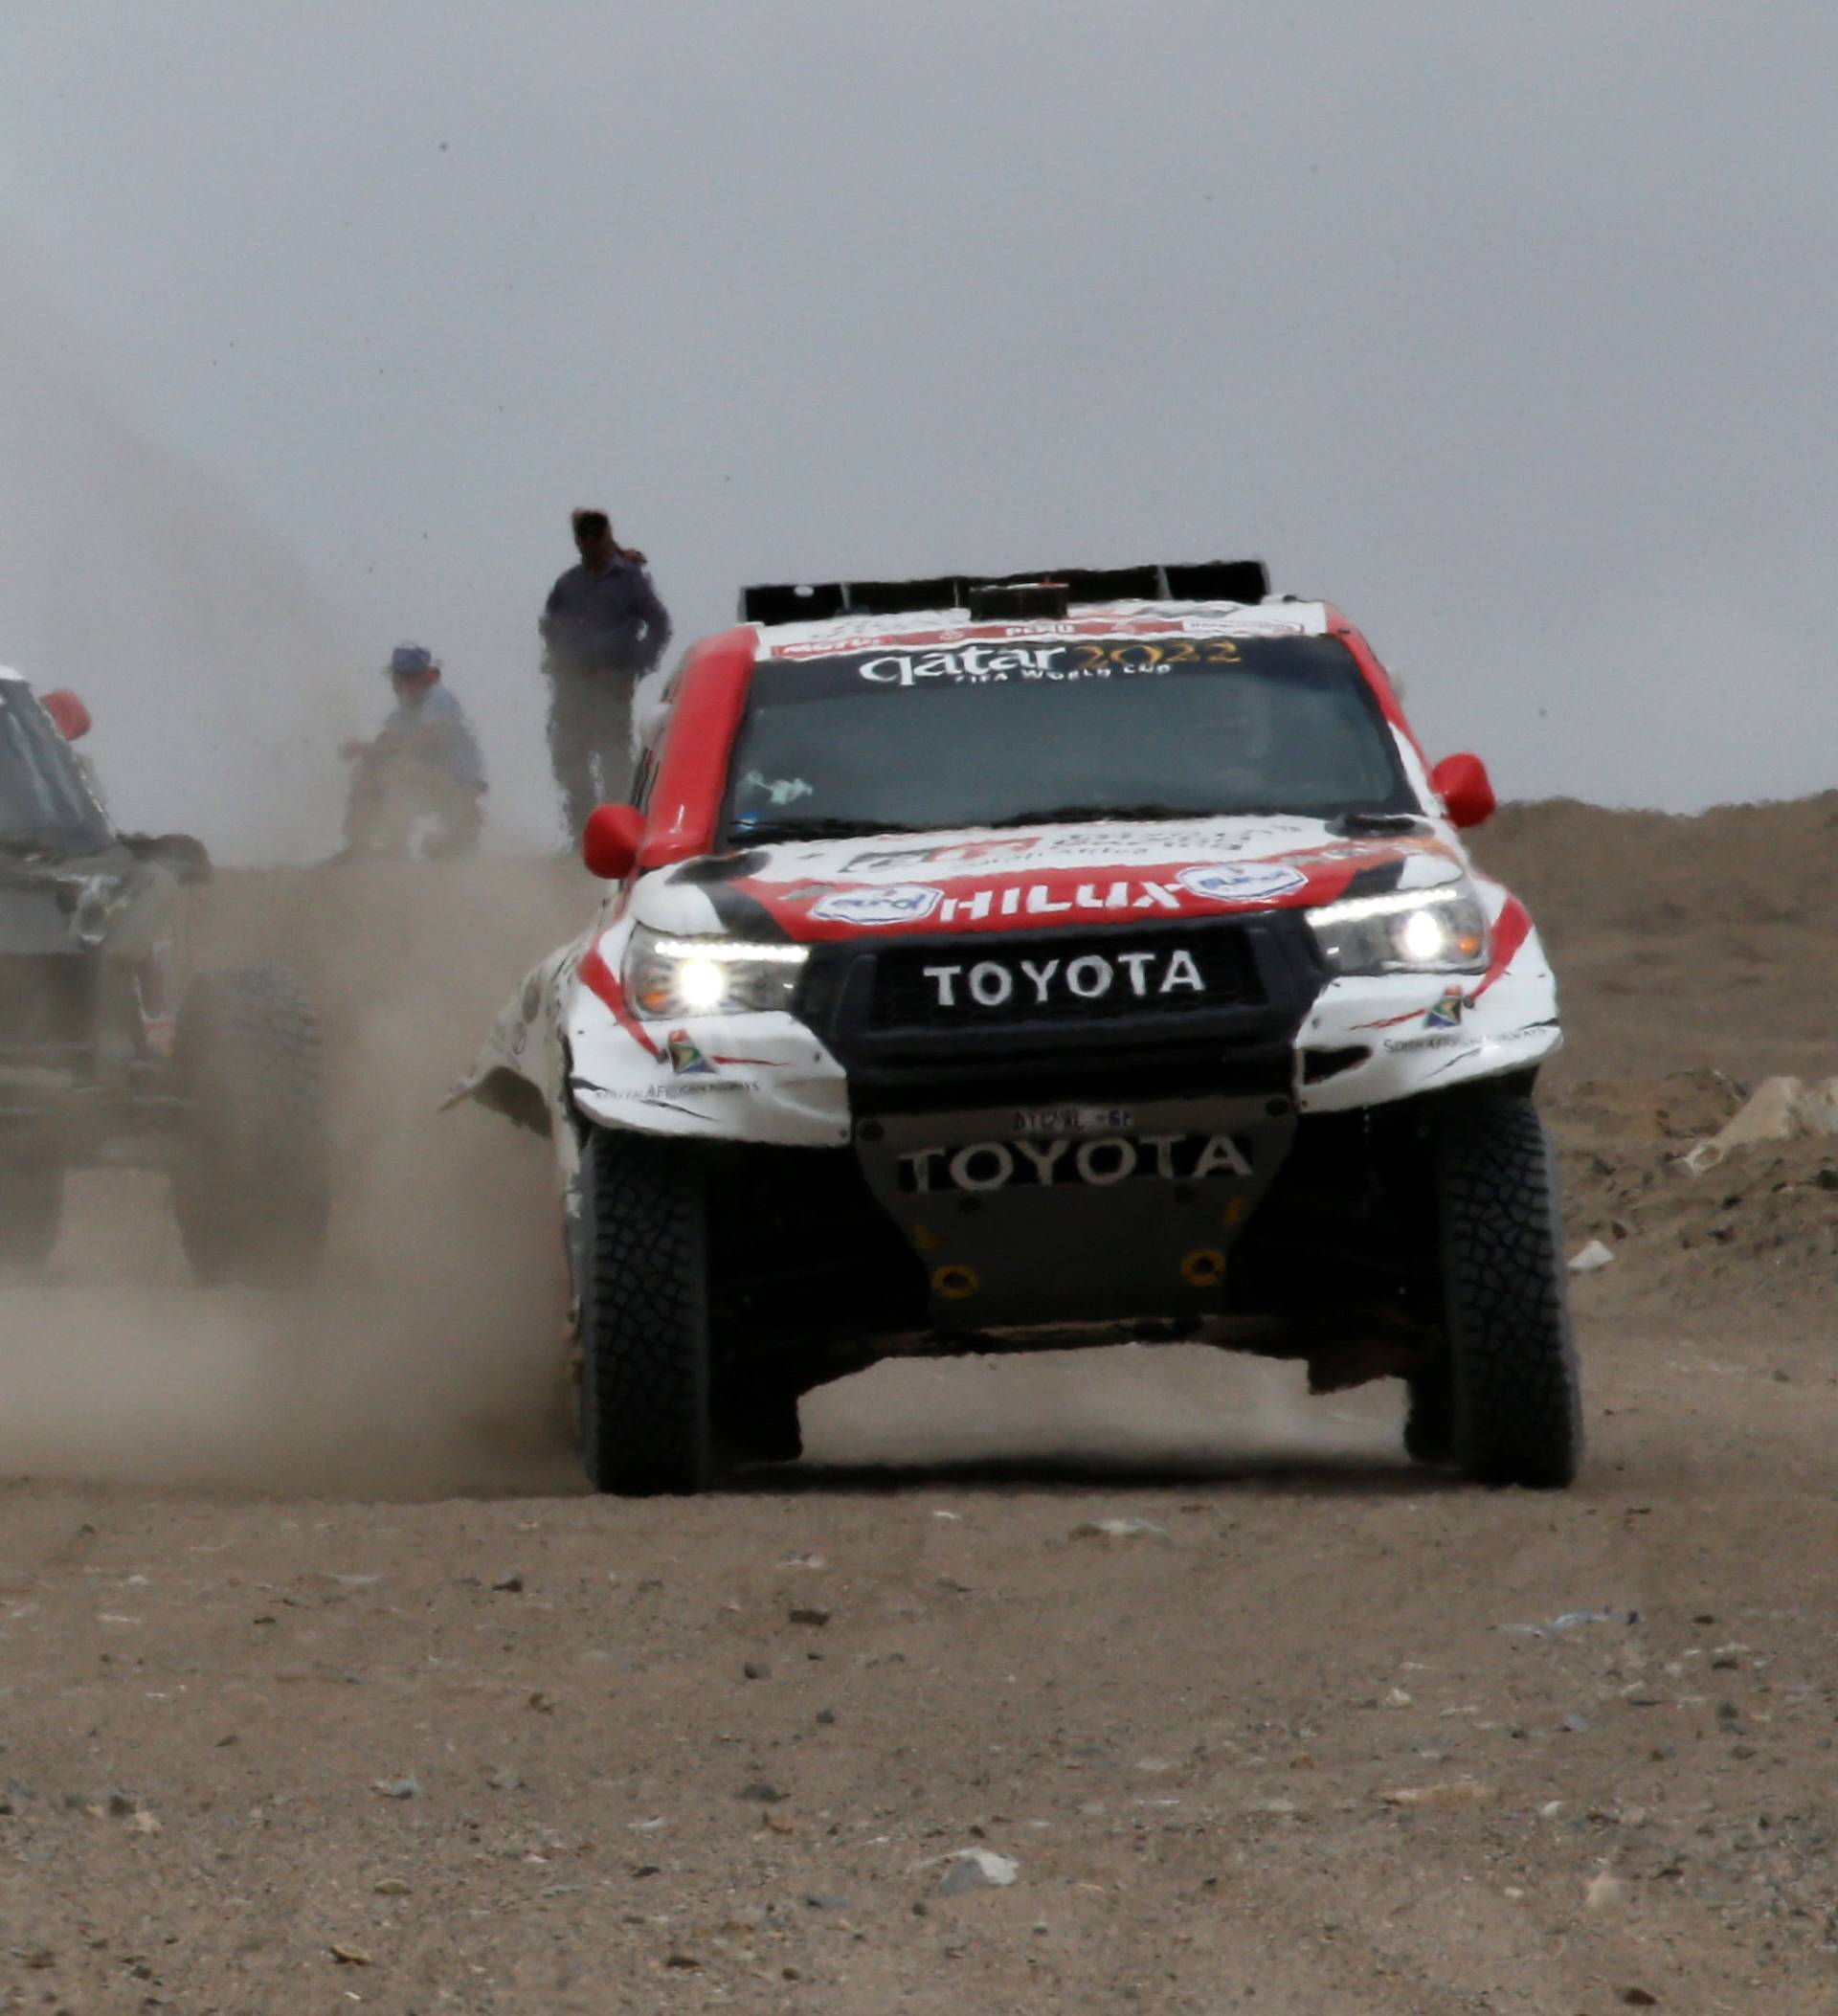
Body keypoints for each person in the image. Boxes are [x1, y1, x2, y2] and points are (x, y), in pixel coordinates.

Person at [539, 508, 672, 837]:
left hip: (611, 682)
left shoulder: (629, 579)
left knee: (613, 760)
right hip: (572, 685)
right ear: (578, 539)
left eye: (595, 533)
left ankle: (618, 833)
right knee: (570, 760)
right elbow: (550, 626)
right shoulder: (568, 583)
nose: (589, 541)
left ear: (606, 534)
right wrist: (557, 666)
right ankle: (582, 838)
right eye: (583, 534)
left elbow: (659, 624)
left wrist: (637, 665)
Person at [340, 643, 486, 859]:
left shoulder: (439, 698)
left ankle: (395, 848)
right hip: (429, 782)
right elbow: (388, 739)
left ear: (427, 676)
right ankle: (358, 846)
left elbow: (426, 740)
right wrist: (366, 751)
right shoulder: (404, 713)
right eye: (399, 678)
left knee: (399, 770)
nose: (401, 684)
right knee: (367, 772)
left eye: (409, 677)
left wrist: (372, 749)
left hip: (457, 786)